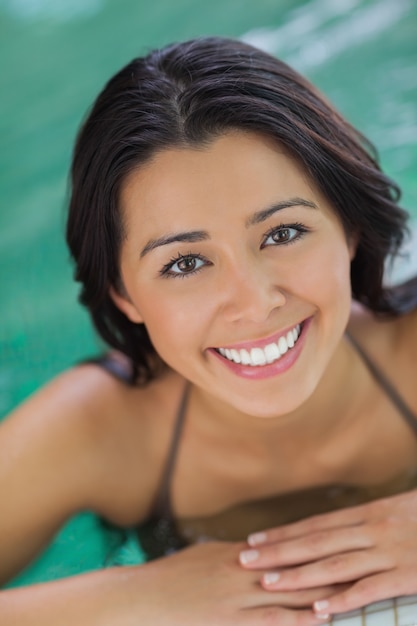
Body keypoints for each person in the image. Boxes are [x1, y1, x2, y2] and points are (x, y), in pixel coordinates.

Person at [1, 35, 417, 625]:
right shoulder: (100, 434)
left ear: (348, 230)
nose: (253, 304)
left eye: (283, 233)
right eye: (185, 264)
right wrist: (132, 598)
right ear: (124, 295)